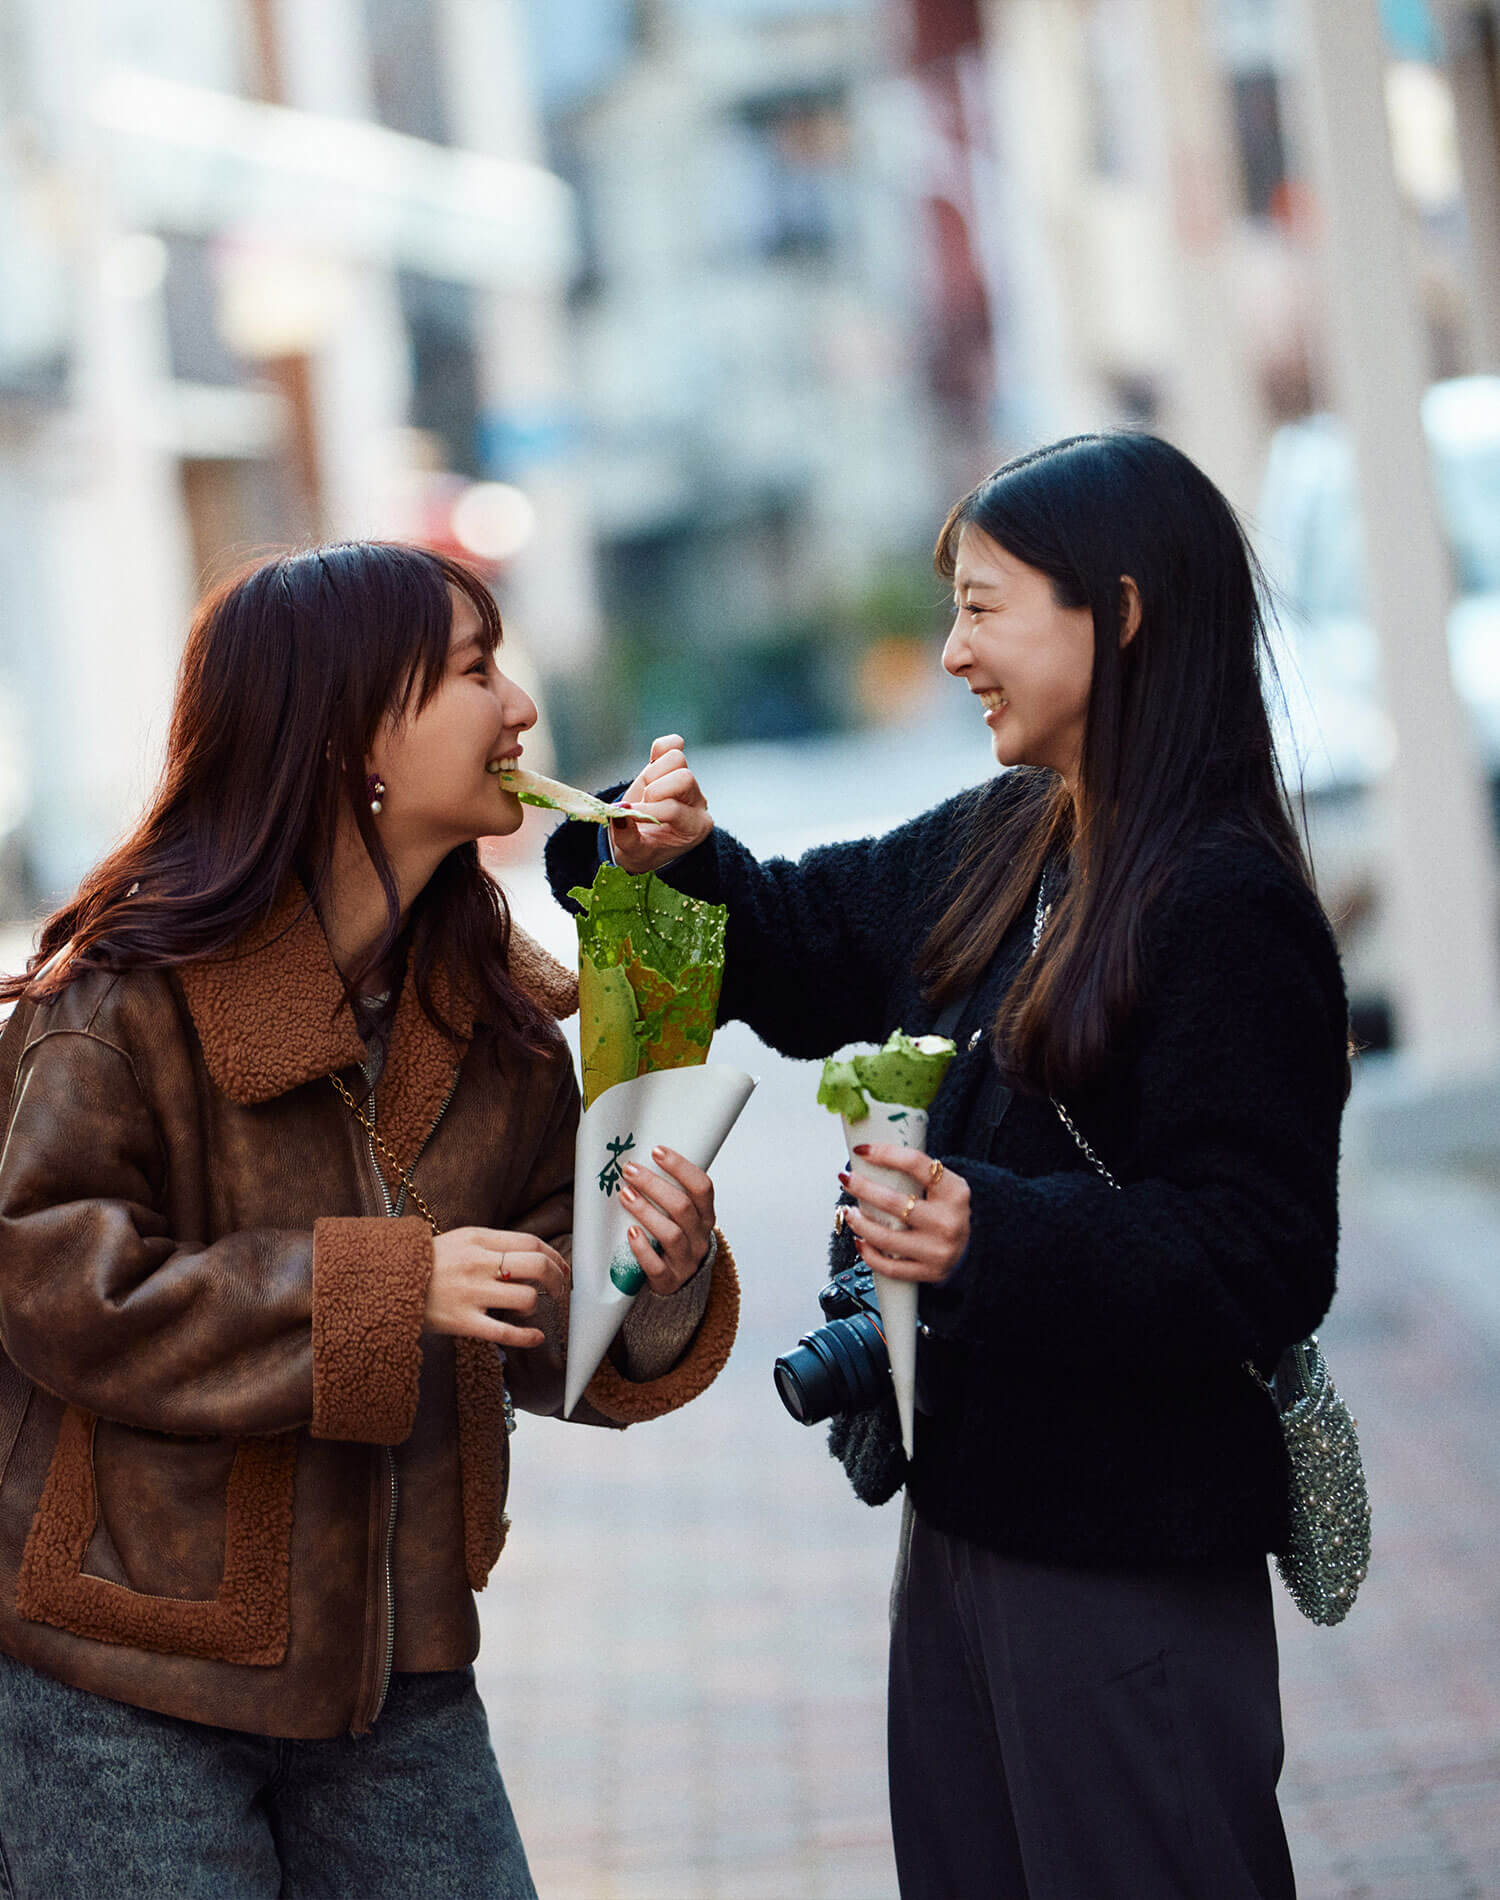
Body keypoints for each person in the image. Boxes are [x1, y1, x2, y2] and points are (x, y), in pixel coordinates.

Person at [546, 434, 1349, 1898]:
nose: (953, 650)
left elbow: (1266, 1253)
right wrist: (661, 858)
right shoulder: (1011, 834)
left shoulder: (1226, 901)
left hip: (1131, 1555)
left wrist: (991, 1236)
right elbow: (793, 947)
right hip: (967, 1524)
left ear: (1122, 611)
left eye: (985, 608)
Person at [0, 543, 738, 1900]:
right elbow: (52, 1289)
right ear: (351, 737)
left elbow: (544, 1327)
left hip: (397, 1669)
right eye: (473, 670)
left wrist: (656, 1263)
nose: (518, 708)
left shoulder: (496, 1021)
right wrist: (391, 1290)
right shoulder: (119, 998)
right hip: (117, 1673)